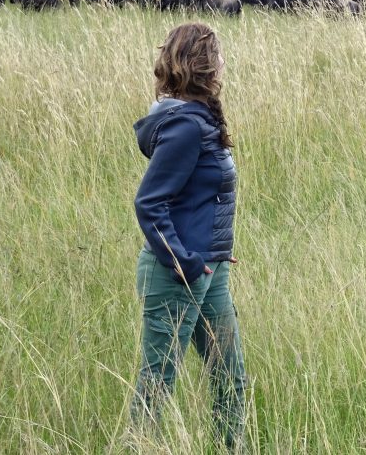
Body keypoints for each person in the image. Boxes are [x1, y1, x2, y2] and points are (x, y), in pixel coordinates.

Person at [129, 22, 246, 451]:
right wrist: (188, 261)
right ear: (203, 65)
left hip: (209, 271)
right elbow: (150, 204)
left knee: (231, 379)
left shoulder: (198, 119)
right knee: (158, 382)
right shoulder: (186, 127)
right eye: (217, 56)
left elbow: (199, 198)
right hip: (178, 275)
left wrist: (215, 250)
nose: (223, 63)